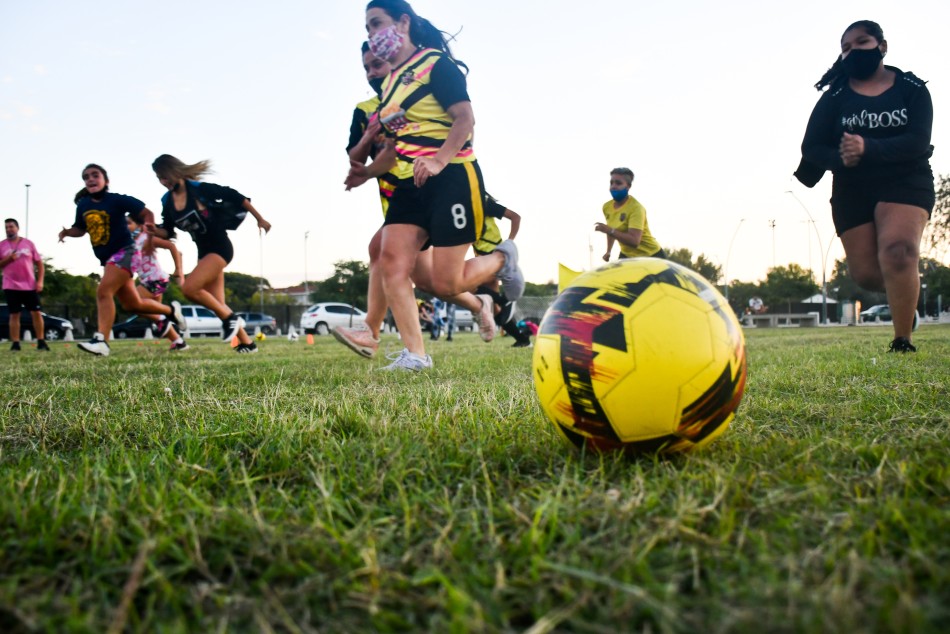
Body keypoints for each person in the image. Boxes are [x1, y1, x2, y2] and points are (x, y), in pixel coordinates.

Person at [343, 0, 525, 372]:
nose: (372, 35)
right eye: (368, 29)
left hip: (453, 176)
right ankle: (416, 355)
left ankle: (504, 258)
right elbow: (394, 152)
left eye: (377, 24)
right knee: (392, 261)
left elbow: (465, 119)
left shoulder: (435, 64)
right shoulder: (390, 83)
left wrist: (439, 160)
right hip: (411, 184)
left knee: (445, 283)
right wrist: (367, 171)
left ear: (403, 22)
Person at [794, 20, 934, 353]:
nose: (854, 51)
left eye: (862, 42)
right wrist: (843, 158)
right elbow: (812, 148)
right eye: (846, 48)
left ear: (881, 46)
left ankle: (902, 340)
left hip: (906, 180)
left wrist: (868, 148)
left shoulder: (912, 88)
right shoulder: (835, 97)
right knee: (868, 274)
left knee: (898, 253)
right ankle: (905, 298)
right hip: (853, 187)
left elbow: (918, 140)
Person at [58, 164, 186, 357]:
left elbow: (146, 212)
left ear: (105, 180)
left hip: (125, 252)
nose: (90, 179)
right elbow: (80, 229)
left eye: (95, 175)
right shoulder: (83, 205)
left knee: (103, 291)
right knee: (132, 304)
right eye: (86, 177)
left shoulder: (117, 200)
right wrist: (68, 232)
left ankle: (102, 340)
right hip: (107, 258)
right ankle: (170, 311)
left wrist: (149, 225)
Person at [148, 154, 271, 354]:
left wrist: (260, 219)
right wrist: (155, 230)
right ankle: (248, 344)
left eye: (164, 176)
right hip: (203, 252)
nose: (163, 182)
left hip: (220, 248)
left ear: (174, 170)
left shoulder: (199, 190)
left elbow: (236, 197)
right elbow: (169, 232)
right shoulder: (167, 201)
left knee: (189, 288)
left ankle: (231, 320)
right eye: (159, 178)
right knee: (218, 303)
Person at [126, 216, 188, 351]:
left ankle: (173, 311)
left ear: (139, 225)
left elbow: (171, 246)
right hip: (149, 281)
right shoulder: (131, 242)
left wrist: (178, 270)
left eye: (128, 223)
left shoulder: (146, 238)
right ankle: (179, 342)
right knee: (157, 317)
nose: (125, 226)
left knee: (132, 303)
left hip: (156, 280)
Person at [594, 167, 666, 261]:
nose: (613, 186)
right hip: (627, 256)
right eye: (611, 183)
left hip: (650, 255)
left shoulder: (636, 208)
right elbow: (612, 231)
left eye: (618, 183)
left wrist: (609, 230)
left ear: (628, 186)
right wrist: (608, 251)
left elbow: (634, 241)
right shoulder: (607, 207)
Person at [0, 217, 48, 351]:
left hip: (29, 285)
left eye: (11, 226)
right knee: (14, 314)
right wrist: (8, 259)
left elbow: (39, 263)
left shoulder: (28, 244)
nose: (9, 229)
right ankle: (15, 343)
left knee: (36, 312)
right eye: (6, 227)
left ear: (17, 228)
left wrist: (40, 281)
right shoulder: (2, 245)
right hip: (10, 285)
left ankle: (41, 341)